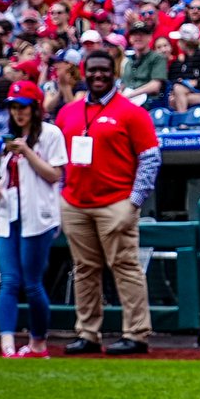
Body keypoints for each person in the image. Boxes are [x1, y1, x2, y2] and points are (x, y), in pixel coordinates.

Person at [55, 47, 160, 355]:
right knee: (84, 269)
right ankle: (87, 333)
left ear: (114, 72)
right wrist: (62, 194)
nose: (98, 75)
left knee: (125, 266)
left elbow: (150, 158)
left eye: (104, 69)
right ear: (83, 73)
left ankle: (137, 333)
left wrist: (134, 202)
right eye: (92, 70)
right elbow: (59, 158)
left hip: (116, 200)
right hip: (75, 202)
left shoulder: (131, 111)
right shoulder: (68, 112)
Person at [0, 81, 67, 358]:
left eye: (23, 107)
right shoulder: (8, 137)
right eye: (13, 107)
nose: (18, 113)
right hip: (9, 214)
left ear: (34, 109)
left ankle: (38, 343)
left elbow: (55, 174)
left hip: (39, 215)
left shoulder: (50, 133)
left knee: (32, 283)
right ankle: (7, 345)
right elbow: (6, 177)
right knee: (8, 281)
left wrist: (27, 152)